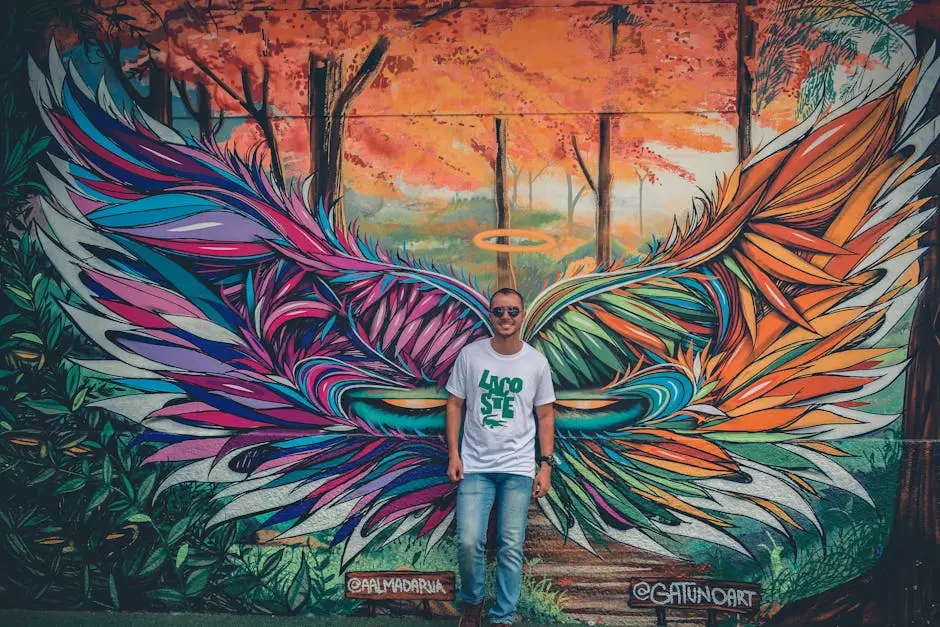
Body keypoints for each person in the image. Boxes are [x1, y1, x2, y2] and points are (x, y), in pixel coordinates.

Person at [445, 287, 556, 626]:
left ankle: (504, 614)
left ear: (522, 316)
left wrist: (546, 464)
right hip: (475, 466)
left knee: (510, 546)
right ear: (490, 315)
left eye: (512, 311)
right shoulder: (470, 356)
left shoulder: (535, 361)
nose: (506, 317)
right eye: (499, 311)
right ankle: (473, 602)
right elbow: (454, 404)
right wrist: (453, 454)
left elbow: (546, 415)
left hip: (518, 469)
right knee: (468, 541)